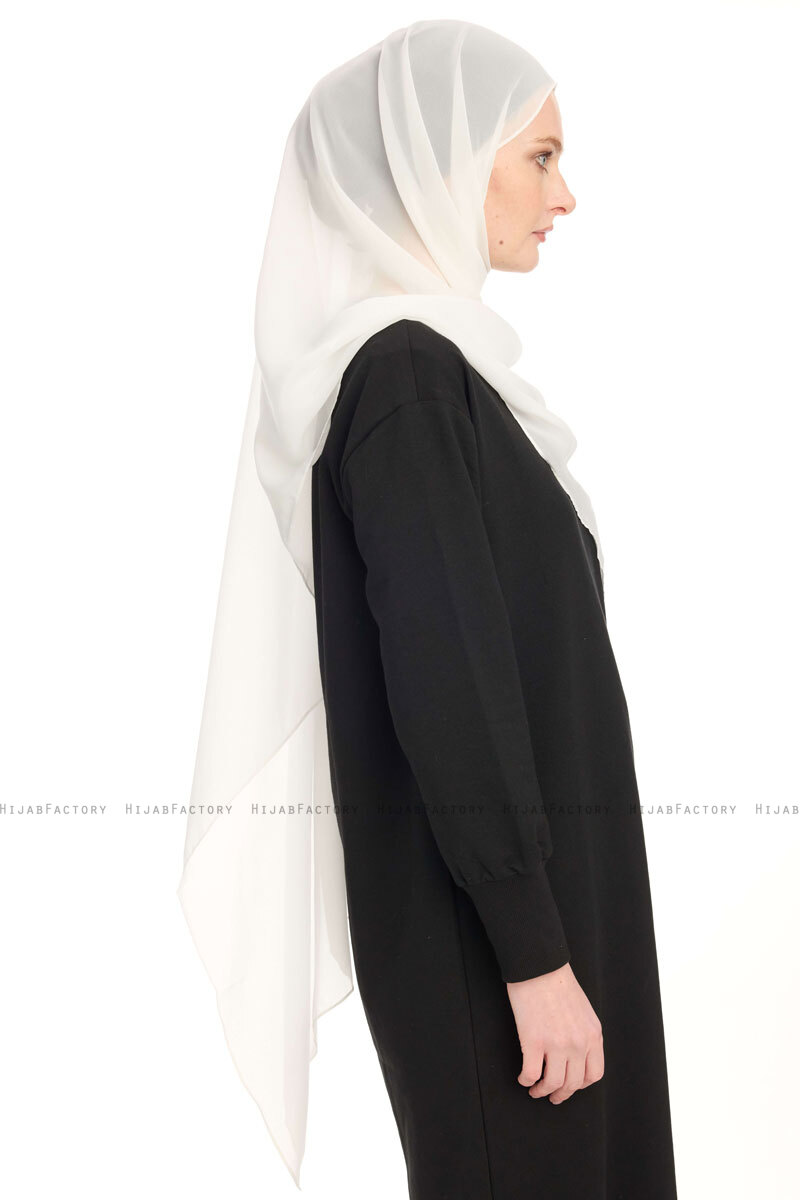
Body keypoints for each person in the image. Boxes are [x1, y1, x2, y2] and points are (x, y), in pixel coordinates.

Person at [178, 20, 678, 1198]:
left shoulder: (448, 379)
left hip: (547, 925)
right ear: (438, 165)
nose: (564, 197)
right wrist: (533, 954)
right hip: (497, 950)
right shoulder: (403, 379)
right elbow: (446, 679)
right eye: (540, 158)